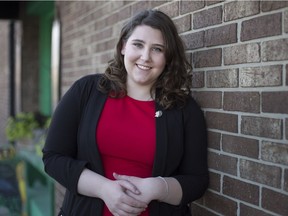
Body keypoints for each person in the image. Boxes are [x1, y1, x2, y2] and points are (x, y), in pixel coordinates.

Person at [42, 9, 208, 216]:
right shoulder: (86, 91)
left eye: (157, 49)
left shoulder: (184, 109)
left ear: (168, 57)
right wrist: (103, 189)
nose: (145, 57)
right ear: (123, 47)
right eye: (138, 45)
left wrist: (157, 188)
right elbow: (53, 157)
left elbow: (197, 181)